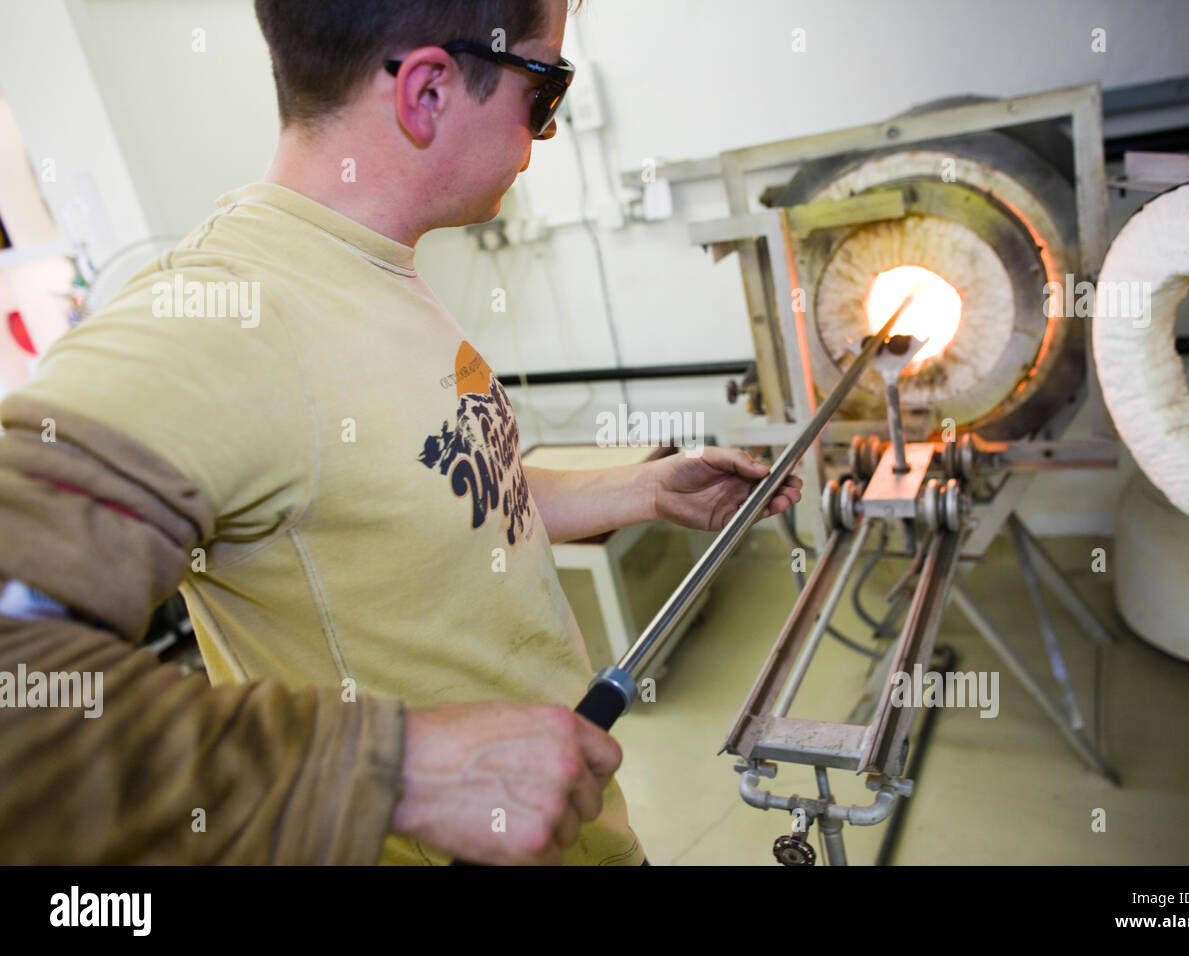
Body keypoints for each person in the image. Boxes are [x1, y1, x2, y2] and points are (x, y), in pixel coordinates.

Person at [0, 0, 801, 865]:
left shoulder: (368, 263)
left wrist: (642, 488)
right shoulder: (223, 318)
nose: (549, 132)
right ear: (428, 89)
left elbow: (431, 496)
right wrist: (403, 771)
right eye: (546, 87)